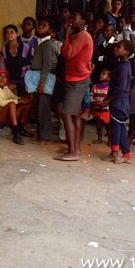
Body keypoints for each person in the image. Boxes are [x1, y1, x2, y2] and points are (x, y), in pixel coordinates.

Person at [54, 11, 93, 162]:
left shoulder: (83, 36)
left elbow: (68, 53)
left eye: (74, 19)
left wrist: (65, 34)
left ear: (82, 21)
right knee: (75, 114)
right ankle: (75, 147)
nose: (70, 22)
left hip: (78, 79)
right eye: (70, 19)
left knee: (66, 113)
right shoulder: (76, 36)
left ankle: (72, 151)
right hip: (74, 78)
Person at [101, 40, 135, 164]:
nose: (115, 48)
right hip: (120, 99)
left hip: (119, 100)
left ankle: (115, 153)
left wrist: (108, 99)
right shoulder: (121, 65)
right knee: (120, 127)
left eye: (119, 47)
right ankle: (126, 154)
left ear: (126, 52)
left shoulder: (124, 67)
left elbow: (120, 88)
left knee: (116, 128)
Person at [26, 18, 55, 143]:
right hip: (37, 76)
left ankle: (45, 136)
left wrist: (42, 82)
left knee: (44, 106)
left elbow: (47, 64)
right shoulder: (40, 43)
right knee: (39, 106)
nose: (40, 27)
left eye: (44, 26)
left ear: (50, 30)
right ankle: (41, 134)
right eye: (40, 25)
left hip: (43, 77)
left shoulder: (47, 44)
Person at [0, 70, 31, 145]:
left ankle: (20, 128)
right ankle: (16, 133)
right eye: (0, 76)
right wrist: (18, 101)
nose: (2, 79)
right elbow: (2, 103)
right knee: (12, 104)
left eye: (4, 77)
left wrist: (23, 100)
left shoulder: (5, 88)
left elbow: (14, 97)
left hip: (5, 117)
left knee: (27, 104)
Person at [0, 24, 33, 96]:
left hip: (25, 78)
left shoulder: (25, 47)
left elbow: (33, 60)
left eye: (12, 32)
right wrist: (3, 78)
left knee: (25, 99)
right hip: (12, 78)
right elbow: (3, 66)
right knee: (5, 95)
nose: (9, 35)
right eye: (7, 33)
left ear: (16, 34)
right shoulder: (4, 49)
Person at [90, 67, 111, 144]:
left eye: (104, 74)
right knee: (98, 125)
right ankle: (99, 138)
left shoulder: (109, 88)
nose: (101, 75)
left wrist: (105, 103)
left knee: (107, 126)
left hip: (105, 109)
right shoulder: (95, 86)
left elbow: (110, 98)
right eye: (101, 73)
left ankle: (110, 140)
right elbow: (91, 95)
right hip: (97, 108)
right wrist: (93, 102)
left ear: (109, 78)